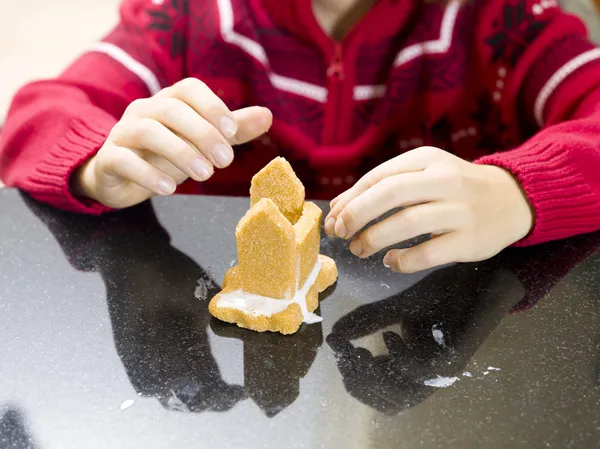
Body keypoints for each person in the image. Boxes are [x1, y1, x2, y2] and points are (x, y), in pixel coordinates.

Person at [1, 0, 600, 274]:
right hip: (210, 283)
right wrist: (95, 161)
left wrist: (519, 189)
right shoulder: (185, 16)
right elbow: (37, 114)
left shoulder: (506, 20)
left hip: (432, 293)